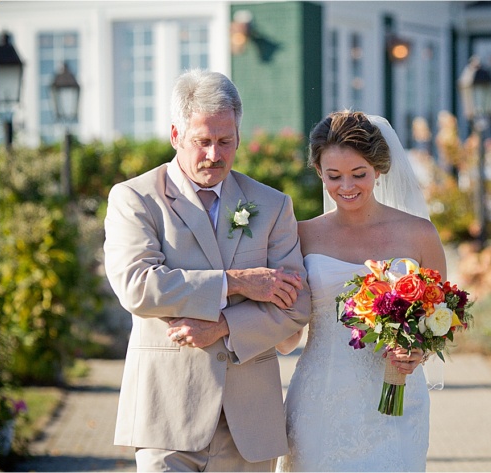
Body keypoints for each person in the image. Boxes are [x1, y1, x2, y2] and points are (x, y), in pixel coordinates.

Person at [103, 69, 311, 472]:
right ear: (175, 135)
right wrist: (238, 283)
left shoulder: (272, 205)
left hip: (250, 424)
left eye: (225, 141)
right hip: (166, 416)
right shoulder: (136, 198)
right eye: (202, 142)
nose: (215, 155)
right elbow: (137, 286)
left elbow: (296, 304)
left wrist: (223, 327)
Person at [276, 111, 446, 472]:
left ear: (379, 169)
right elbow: (286, 334)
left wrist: (416, 351)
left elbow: (439, 321)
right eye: (333, 176)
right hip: (320, 402)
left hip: (397, 401)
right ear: (319, 172)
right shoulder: (300, 235)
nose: (346, 186)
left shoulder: (419, 235)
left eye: (359, 174)